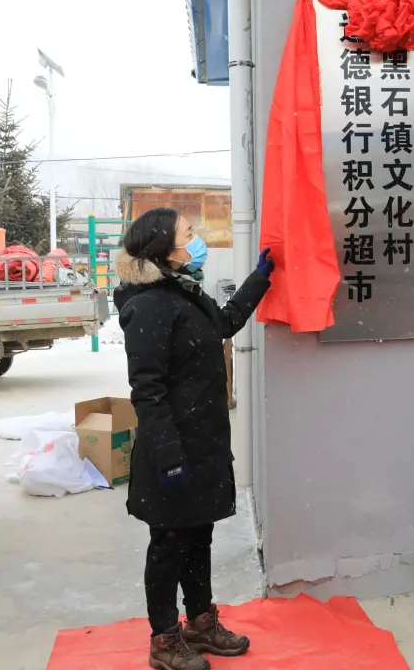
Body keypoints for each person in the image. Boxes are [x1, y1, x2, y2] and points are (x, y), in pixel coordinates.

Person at [114, 207, 275, 670]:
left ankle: (201, 622)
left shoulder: (183, 291)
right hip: (172, 448)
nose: (197, 239)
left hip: (202, 441)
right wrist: (168, 457)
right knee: (169, 544)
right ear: (164, 247)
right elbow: (147, 390)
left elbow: (223, 324)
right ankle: (164, 640)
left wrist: (261, 278)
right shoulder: (148, 305)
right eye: (189, 233)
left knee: (198, 534)